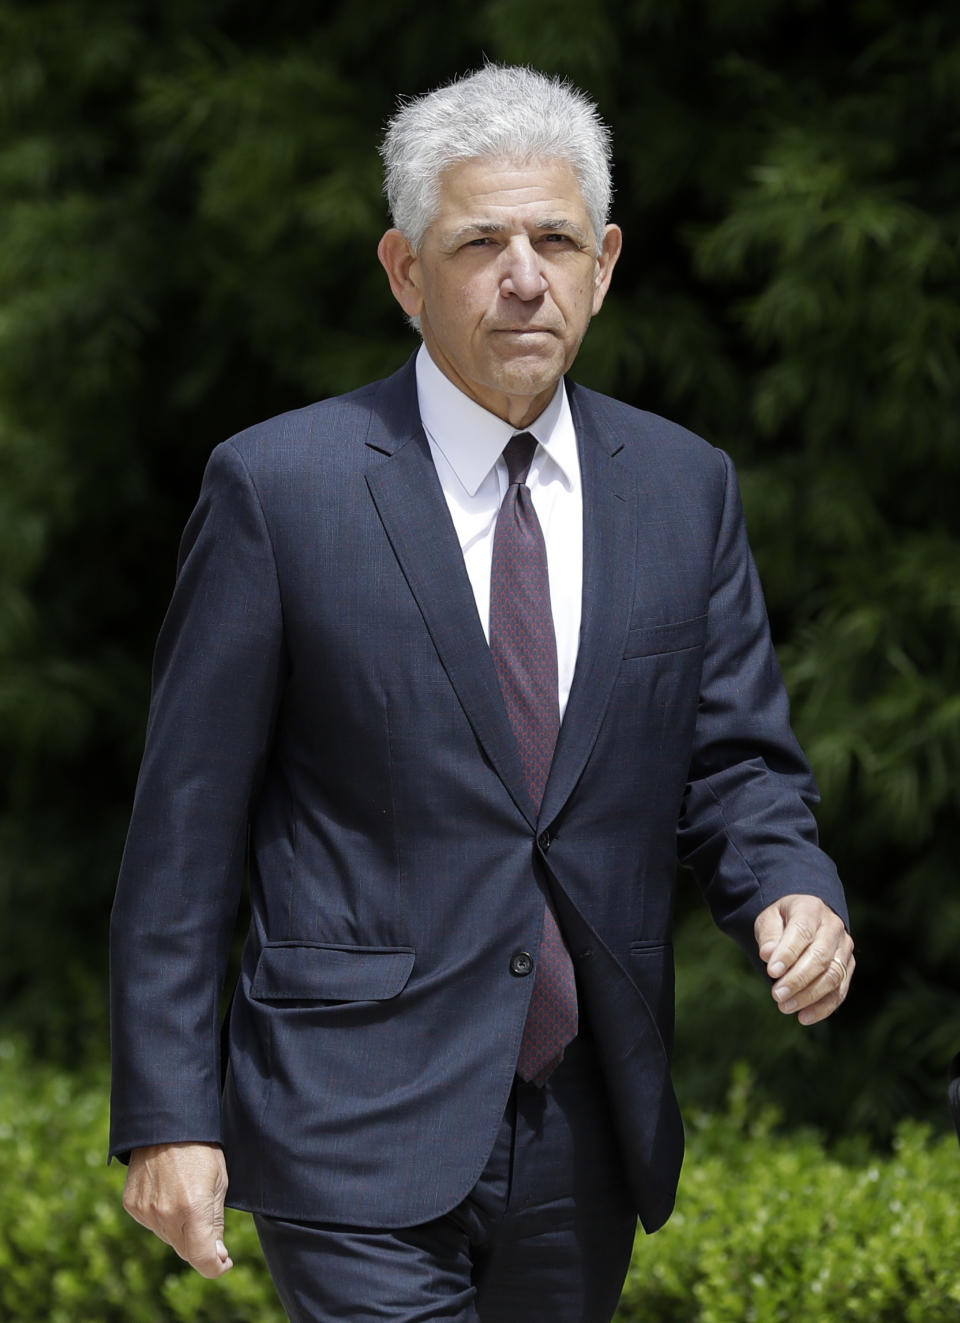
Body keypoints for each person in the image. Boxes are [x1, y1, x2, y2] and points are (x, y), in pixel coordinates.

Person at [111, 63, 855, 1323]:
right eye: (481, 242)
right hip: (349, 1115)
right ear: (406, 272)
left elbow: (737, 765)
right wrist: (167, 1113)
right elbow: (188, 828)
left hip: (588, 1121)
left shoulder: (684, 488)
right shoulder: (278, 489)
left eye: (556, 239)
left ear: (605, 262)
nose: (525, 275)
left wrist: (790, 884)